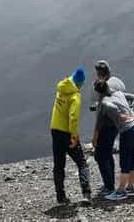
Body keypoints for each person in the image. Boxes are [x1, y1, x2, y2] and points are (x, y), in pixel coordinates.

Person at [90, 60, 134, 196]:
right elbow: (126, 99)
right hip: (119, 125)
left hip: (107, 125)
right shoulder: (118, 82)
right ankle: (119, 185)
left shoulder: (103, 89)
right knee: (110, 153)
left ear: (99, 74)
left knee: (101, 155)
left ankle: (109, 185)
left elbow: (101, 115)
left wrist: (95, 135)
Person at [50, 67, 91, 204]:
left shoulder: (61, 89)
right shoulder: (75, 96)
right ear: (80, 83)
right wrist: (74, 136)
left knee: (58, 165)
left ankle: (60, 196)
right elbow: (73, 117)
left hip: (55, 130)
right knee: (82, 163)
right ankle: (86, 194)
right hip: (67, 132)